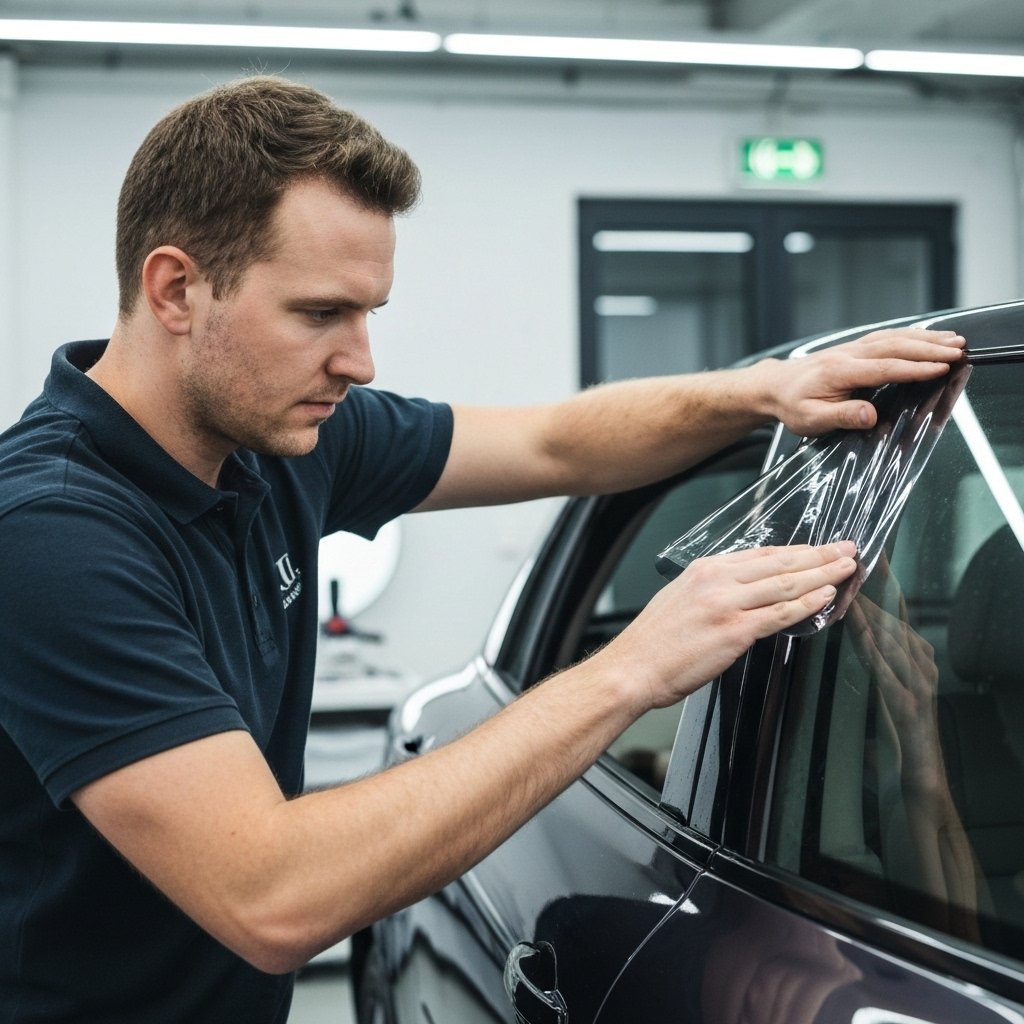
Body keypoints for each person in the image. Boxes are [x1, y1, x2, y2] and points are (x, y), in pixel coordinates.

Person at [0, 75, 967, 1024]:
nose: (360, 361)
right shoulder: (53, 535)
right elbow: (273, 894)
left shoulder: (279, 439)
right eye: (320, 313)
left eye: (368, 313)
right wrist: (634, 666)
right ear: (176, 289)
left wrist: (762, 392)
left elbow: (554, 444)